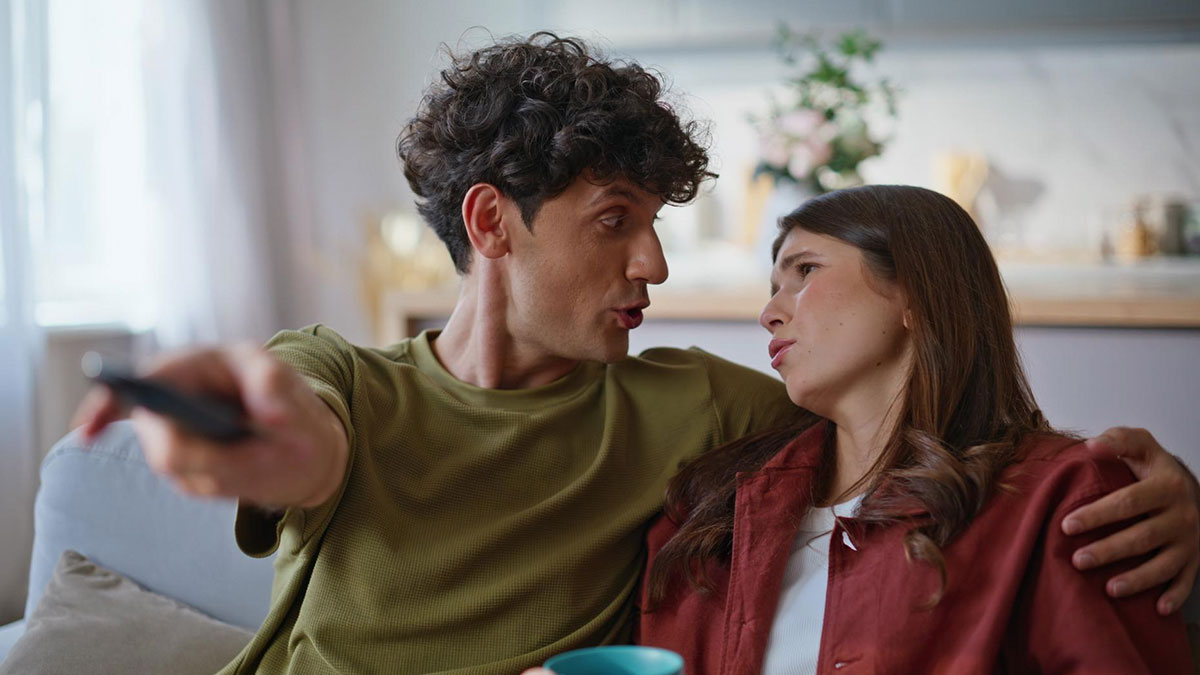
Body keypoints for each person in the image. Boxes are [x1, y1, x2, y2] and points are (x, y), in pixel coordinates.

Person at [71, 34, 1199, 674]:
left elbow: (926, 429)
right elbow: (291, 443)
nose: (656, 266)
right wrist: (235, 418)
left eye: (658, 222)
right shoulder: (349, 384)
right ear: (490, 225)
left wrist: (1172, 493)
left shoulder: (698, 410)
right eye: (616, 220)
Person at [635, 185, 1194, 673]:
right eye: (772, 286)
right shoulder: (711, 513)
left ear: (918, 293)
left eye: (805, 271)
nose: (770, 313)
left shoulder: (1065, 499)